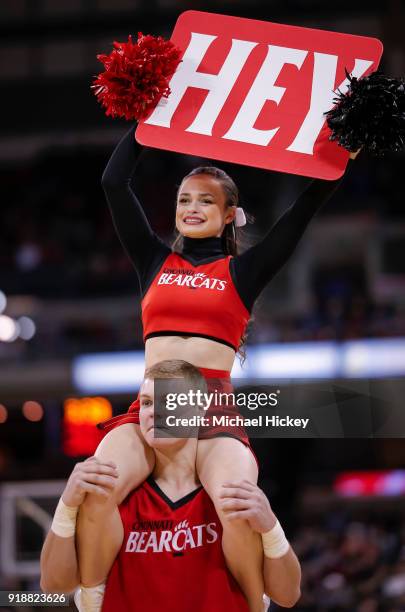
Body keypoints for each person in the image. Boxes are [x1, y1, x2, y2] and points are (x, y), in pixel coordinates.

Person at [76, 122, 358, 599]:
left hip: (211, 413)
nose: (191, 208)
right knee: (97, 488)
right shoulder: (153, 261)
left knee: (237, 505)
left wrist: (346, 143)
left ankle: (251, 601)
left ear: (230, 215)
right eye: (184, 199)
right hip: (151, 407)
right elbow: (112, 183)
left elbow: (306, 205)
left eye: (205, 200)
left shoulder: (244, 272)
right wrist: (151, 121)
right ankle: (95, 595)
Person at [40, 360, 301, 611]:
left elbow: (288, 596)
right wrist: (67, 504)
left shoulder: (230, 497)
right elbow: (54, 586)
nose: (153, 411)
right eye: (147, 402)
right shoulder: (114, 495)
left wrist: (270, 526)